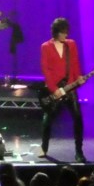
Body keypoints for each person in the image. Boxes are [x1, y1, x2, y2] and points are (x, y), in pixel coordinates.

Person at [39, 17, 86, 163]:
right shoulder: (45, 46)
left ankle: (79, 151)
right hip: (55, 89)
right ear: (56, 32)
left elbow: (75, 63)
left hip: (70, 88)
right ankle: (44, 147)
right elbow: (46, 70)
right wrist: (54, 89)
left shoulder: (71, 44)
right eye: (63, 32)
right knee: (48, 118)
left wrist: (79, 77)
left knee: (77, 118)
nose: (66, 35)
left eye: (66, 32)